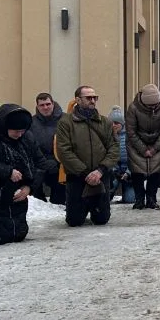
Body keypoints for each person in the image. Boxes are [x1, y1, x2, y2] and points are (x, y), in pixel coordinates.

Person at [0, 104, 56, 245]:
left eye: (22, 131)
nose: (19, 135)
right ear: (5, 127)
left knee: (17, 235)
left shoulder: (27, 137)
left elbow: (40, 164)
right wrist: (7, 171)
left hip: (17, 194)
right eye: (16, 131)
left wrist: (29, 187)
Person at [55, 86, 120, 227]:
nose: (93, 100)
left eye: (95, 97)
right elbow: (64, 151)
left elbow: (114, 148)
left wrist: (100, 171)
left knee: (102, 219)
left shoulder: (105, 122)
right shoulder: (65, 123)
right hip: (77, 177)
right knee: (74, 221)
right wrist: (85, 173)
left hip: (101, 175)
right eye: (88, 98)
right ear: (78, 100)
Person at [125, 84, 160, 209]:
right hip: (136, 143)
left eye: (155, 105)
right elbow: (131, 131)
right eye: (150, 106)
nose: (153, 107)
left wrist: (155, 148)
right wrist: (143, 149)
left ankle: (151, 199)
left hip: (157, 142)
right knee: (137, 172)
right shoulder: (133, 108)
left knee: (155, 173)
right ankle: (139, 199)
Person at [28, 93, 66, 204]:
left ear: (53, 104)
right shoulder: (31, 122)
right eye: (42, 105)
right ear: (37, 106)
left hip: (61, 163)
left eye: (48, 104)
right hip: (39, 162)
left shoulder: (66, 120)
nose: (45, 107)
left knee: (58, 200)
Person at [108, 107, 135, 204]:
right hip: (114, 173)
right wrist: (114, 170)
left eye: (116, 123)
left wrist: (128, 172)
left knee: (129, 200)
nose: (114, 125)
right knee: (105, 198)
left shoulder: (130, 137)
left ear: (122, 124)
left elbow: (134, 158)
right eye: (111, 123)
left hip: (129, 173)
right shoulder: (107, 137)